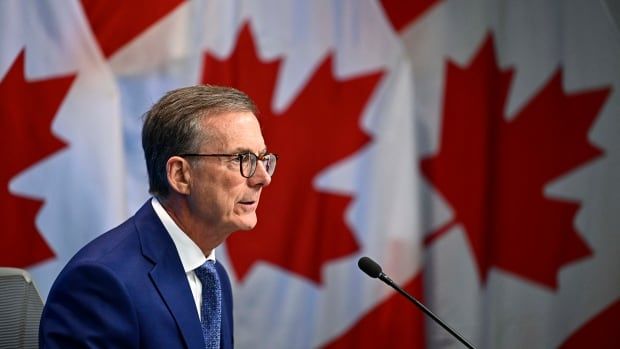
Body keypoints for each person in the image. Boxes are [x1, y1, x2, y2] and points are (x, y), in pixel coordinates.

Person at [39, 85, 277, 348]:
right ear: (180, 175)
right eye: (241, 158)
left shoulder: (213, 275)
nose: (262, 178)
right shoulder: (100, 282)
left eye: (263, 158)